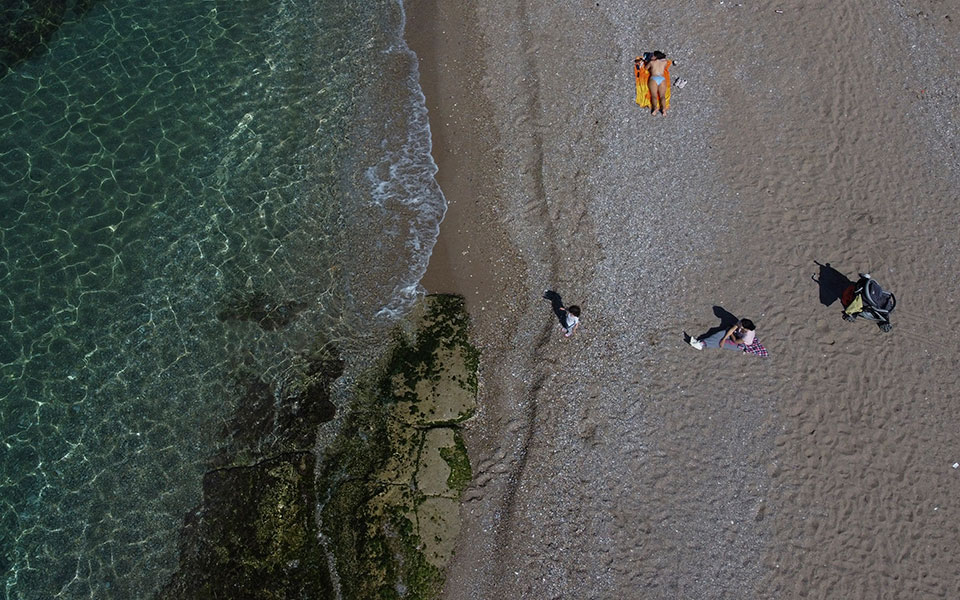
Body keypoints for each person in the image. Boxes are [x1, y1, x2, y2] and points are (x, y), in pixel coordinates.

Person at [686, 318, 767, 356]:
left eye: (741, 326)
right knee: (721, 334)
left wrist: (726, 338)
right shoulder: (741, 323)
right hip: (735, 335)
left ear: (745, 328)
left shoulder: (747, 336)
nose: (739, 326)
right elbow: (732, 329)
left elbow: (736, 341)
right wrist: (725, 338)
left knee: (720, 342)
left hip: (739, 344)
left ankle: (702, 344)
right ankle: (701, 342)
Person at [634, 51, 674, 115]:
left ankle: (655, 108)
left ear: (656, 57)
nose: (651, 57)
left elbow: (645, 68)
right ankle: (664, 109)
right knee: (662, 96)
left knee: (654, 95)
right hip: (662, 78)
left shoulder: (652, 62)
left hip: (654, 78)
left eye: (653, 56)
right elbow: (665, 67)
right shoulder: (665, 62)